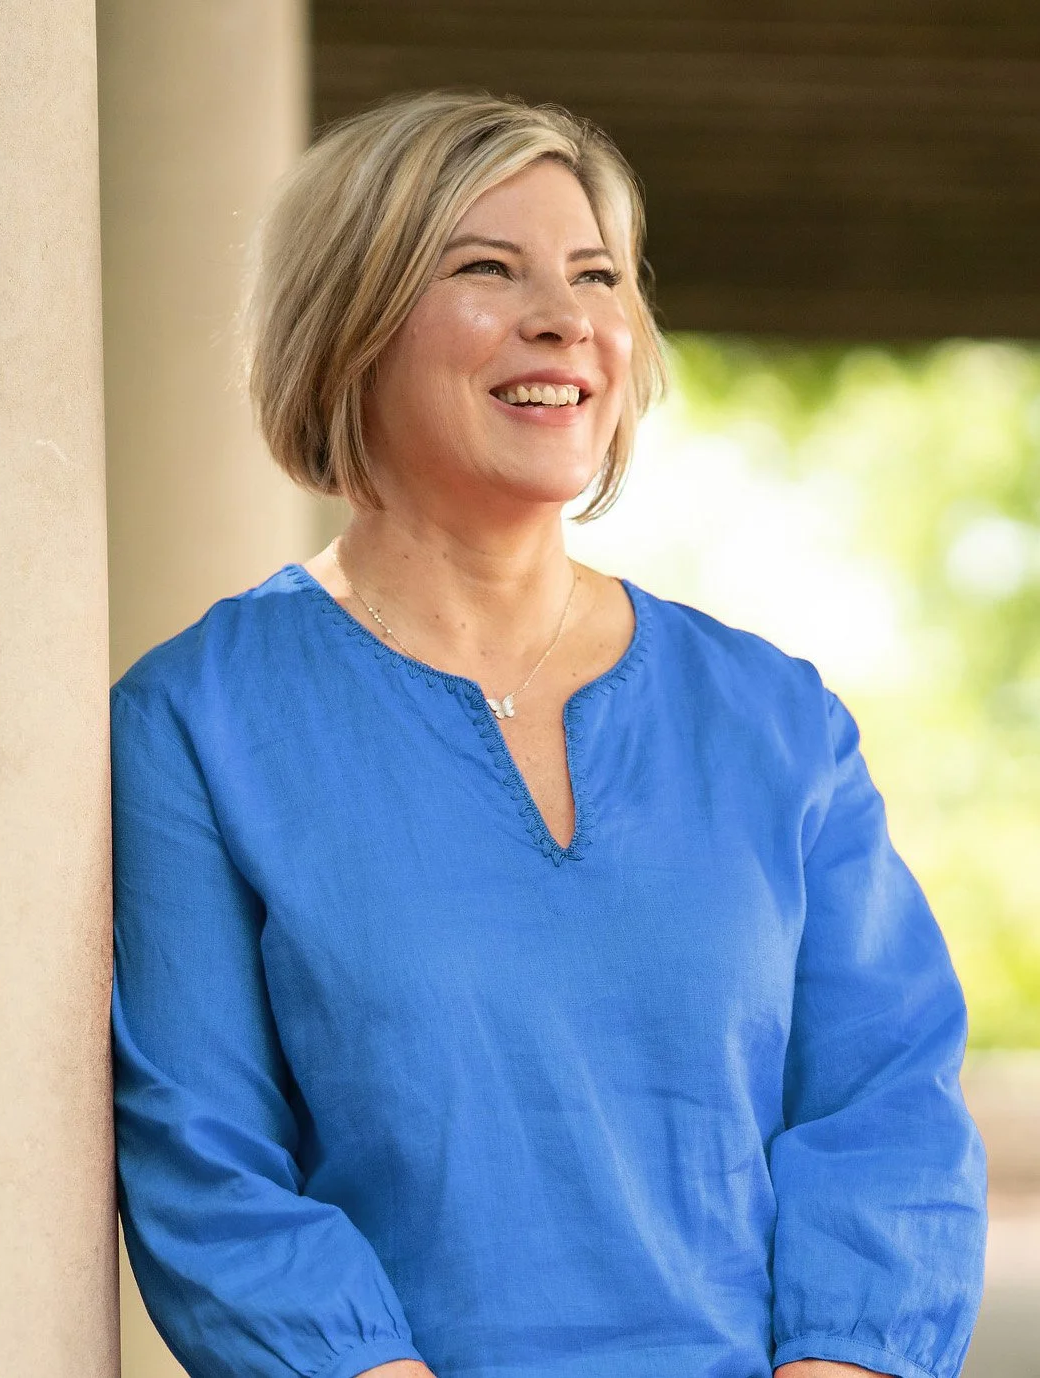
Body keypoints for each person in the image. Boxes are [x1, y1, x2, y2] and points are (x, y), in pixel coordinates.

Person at [108, 89, 987, 1378]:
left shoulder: (775, 717)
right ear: (350, 319)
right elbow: (205, 1160)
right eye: (486, 269)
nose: (567, 318)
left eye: (598, 276)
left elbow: (887, 1103)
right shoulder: (198, 720)